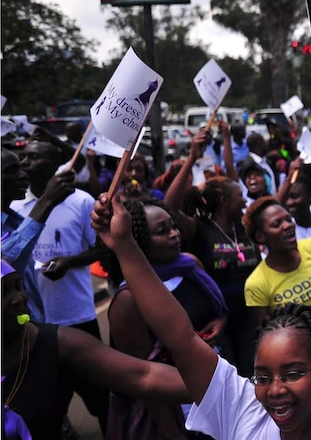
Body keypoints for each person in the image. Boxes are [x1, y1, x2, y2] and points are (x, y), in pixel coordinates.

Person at [89, 194, 311, 439]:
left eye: (292, 374)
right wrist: (125, 245)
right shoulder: (243, 409)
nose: (275, 390)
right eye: (261, 377)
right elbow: (181, 338)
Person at [1, 259, 190, 440]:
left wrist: (212, 383)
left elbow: (143, 375)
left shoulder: (59, 344)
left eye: (18, 287)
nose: (18, 299)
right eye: (3, 293)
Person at [97, 197, 228, 438]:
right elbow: (143, 377)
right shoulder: (129, 301)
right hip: (180, 404)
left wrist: (219, 324)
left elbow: (217, 310)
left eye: (173, 226)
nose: (174, 234)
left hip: (216, 379)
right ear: (139, 241)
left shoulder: (190, 264)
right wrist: (171, 432)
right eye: (162, 231)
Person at [10, 139, 109, 432]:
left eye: (34, 158)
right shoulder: (14, 205)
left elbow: (101, 250)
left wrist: (70, 262)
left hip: (77, 316)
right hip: (34, 322)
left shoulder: (81, 201)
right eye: (23, 157)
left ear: (56, 165)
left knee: (101, 398)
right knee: (45, 404)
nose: (25, 163)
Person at [164, 137, 260, 377]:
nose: (245, 200)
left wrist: (227, 138)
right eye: (240, 196)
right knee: (227, 381)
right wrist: (191, 159)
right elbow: (169, 207)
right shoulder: (200, 229)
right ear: (226, 201)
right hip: (217, 322)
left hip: (250, 318)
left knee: (252, 378)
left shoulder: (245, 226)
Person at [1, 149, 75, 323]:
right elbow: (3, 265)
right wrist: (46, 202)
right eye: (11, 170)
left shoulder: (16, 222)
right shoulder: (31, 217)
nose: (23, 175)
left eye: (21, 168)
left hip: (30, 329)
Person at [242, 197, 311, 327]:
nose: (288, 225)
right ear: (260, 236)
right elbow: (266, 333)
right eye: (276, 224)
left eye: (288, 219)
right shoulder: (256, 284)